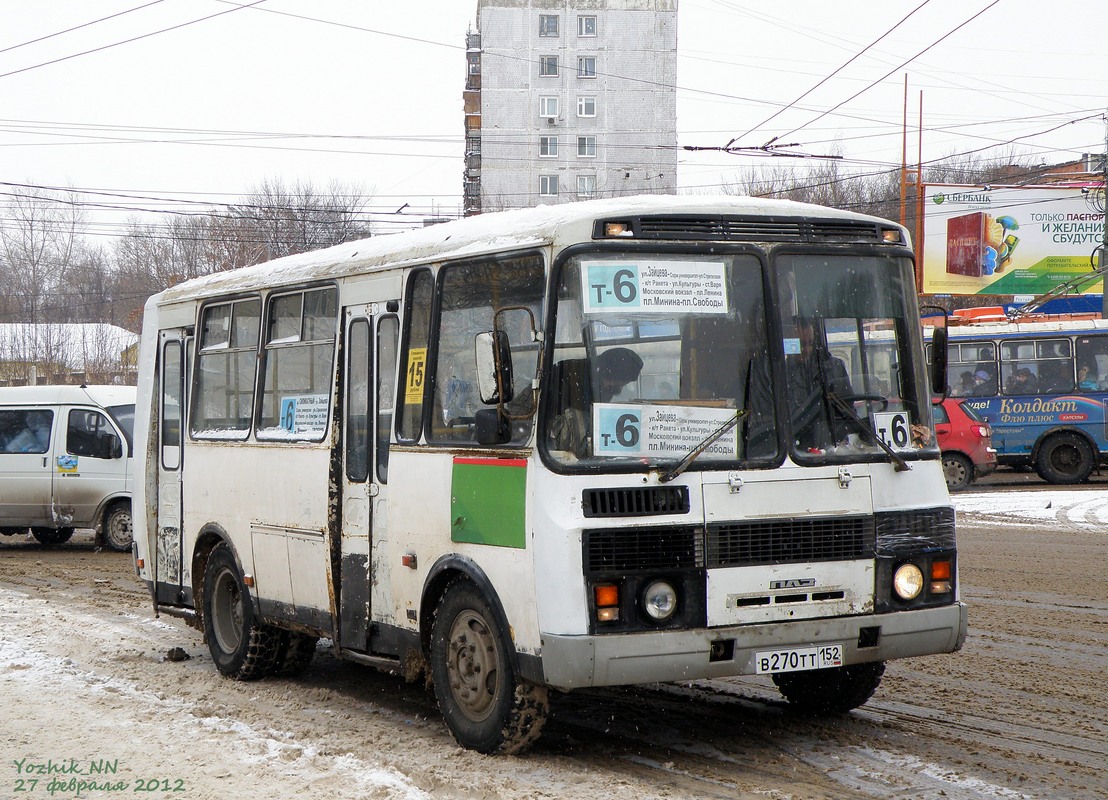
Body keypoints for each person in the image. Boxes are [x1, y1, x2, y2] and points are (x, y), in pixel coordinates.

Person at [786, 317, 854, 450]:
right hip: (796, 452)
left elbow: (848, 413)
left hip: (831, 450)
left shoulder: (835, 368)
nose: (806, 350)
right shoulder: (782, 375)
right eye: (801, 344)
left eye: (810, 344)